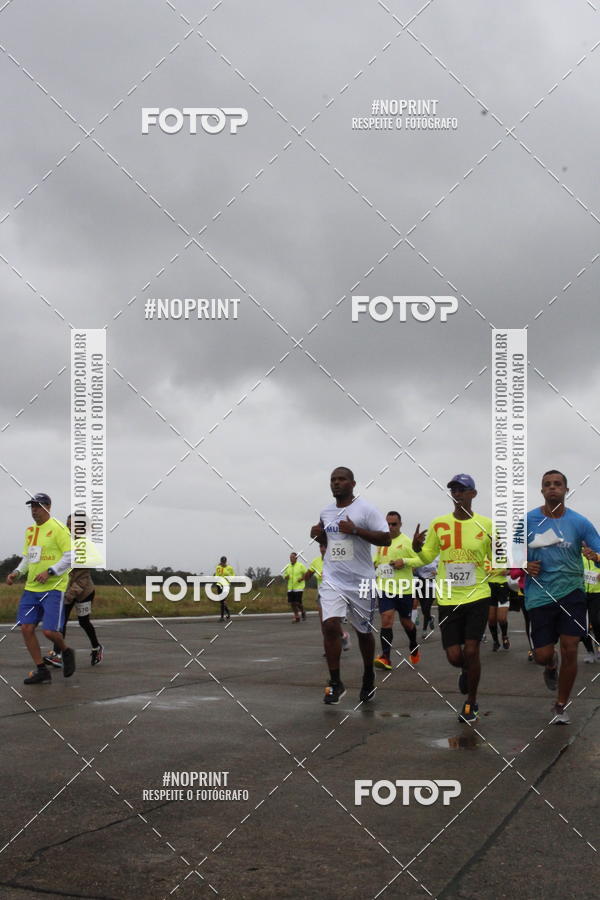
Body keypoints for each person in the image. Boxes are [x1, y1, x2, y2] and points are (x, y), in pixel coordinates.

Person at [412, 474, 493, 723]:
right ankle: (467, 671)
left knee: (472, 649)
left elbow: (498, 558)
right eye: (454, 490)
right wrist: (416, 548)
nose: (457, 494)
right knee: (455, 657)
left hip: (478, 595)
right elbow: (427, 558)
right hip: (448, 598)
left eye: (462, 489)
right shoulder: (438, 524)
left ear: (473, 494)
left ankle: (472, 702)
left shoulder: (487, 525)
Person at [524, 470, 600, 724]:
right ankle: (549, 665)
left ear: (566, 490)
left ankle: (560, 704)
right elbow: (507, 556)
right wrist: (523, 565)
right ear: (542, 490)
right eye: (547, 484)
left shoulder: (580, 523)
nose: (552, 488)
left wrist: (596, 557)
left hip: (572, 594)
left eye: (558, 484)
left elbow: (599, 553)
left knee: (570, 648)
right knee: (543, 655)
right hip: (540, 596)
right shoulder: (528, 521)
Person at [310, 467, 390, 704]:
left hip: (362, 581)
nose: (336, 483)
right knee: (330, 625)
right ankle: (336, 683)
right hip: (333, 579)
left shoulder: (366, 509)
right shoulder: (326, 512)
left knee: (364, 633)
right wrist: (318, 535)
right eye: (333, 479)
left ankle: (368, 675)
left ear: (353, 484)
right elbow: (330, 540)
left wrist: (355, 529)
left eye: (341, 479)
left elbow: (386, 538)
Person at [6, 493, 75, 683]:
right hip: (31, 589)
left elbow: (70, 557)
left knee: (49, 631)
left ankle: (67, 651)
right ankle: (41, 669)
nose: (34, 510)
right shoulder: (30, 531)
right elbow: (28, 558)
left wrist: (50, 572)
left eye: (38, 506)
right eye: (32, 507)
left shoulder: (59, 529)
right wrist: (16, 573)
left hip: (53, 587)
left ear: (48, 507)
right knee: (26, 628)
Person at [44, 515, 103, 668]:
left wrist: (70, 594)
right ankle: (57, 655)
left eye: (73, 525)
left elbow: (82, 578)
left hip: (84, 591)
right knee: (61, 622)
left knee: (83, 622)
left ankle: (96, 647)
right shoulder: (64, 542)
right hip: (67, 588)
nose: (70, 527)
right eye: (68, 524)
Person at [373, 511, 422, 669]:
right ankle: (385, 657)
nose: (390, 527)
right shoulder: (381, 542)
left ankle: (413, 645)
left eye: (394, 524)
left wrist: (405, 561)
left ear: (400, 524)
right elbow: (377, 561)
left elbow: (421, 560)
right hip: (385, 589)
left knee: (406, 622)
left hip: (404, 590)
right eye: (388, 524)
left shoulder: (406, 541)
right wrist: (374, 564)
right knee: (386, 619)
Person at [304, 539, 350, 650]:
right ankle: (330, 647)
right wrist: (306, 576)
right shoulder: (316, 561)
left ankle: (342, 637)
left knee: (332, 622)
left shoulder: (337, 560)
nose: (322, 549)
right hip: (321, 595)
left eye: (325, 546)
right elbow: (308, 575)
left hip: (335, 595)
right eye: (320, 546)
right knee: (324, 624)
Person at [486, 561, 510, 651]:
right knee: (491, 619)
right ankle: (495, 641)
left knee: (502, 618)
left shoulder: (503, 550)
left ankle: (504, 636)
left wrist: (509, 571)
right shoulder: (483, 551)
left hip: (502, 586)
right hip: (488, 587)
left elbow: (516, 563)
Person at [581, 552, 600, 663]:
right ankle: (590, 652)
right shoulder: (577, 549)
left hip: (597, 592)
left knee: (596, 621)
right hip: (581, 592)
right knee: (582, 624)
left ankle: (598, 646)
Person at [414, 559, 437, 640]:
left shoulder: (437, 557)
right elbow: (414, 572)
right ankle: (430, 618)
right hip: (421, 584)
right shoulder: (419, 557)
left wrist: (437, 572)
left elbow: (444, 569)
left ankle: (424, 630)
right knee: (424, 609)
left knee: (427, 607)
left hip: (432, 585)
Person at [283, 552, 307, 622]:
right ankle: (297, 617)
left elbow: (306, 574)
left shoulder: (300, 566)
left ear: (296, 558)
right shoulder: (288, 566)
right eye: (290, 557)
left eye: (292, 557)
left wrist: (301, 579)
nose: (291, 559)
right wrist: (286, 577)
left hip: (299, 587)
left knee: (297, 602)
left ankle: (303, 611)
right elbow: (285, 576)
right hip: (290, 588)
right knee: (292, 603)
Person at [214, 556, 234, 621]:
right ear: (220, 561)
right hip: (219, 585)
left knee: (223, 601)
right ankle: (228, 613)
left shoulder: (230, 568)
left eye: (224, 562)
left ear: (226, 561)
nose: (223, 563)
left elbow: (233, 576)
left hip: (226, 585)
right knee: (221, 601)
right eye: (222, 562)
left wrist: (228, 577)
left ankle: (222, 617)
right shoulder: (218, 567)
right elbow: (217, 575)